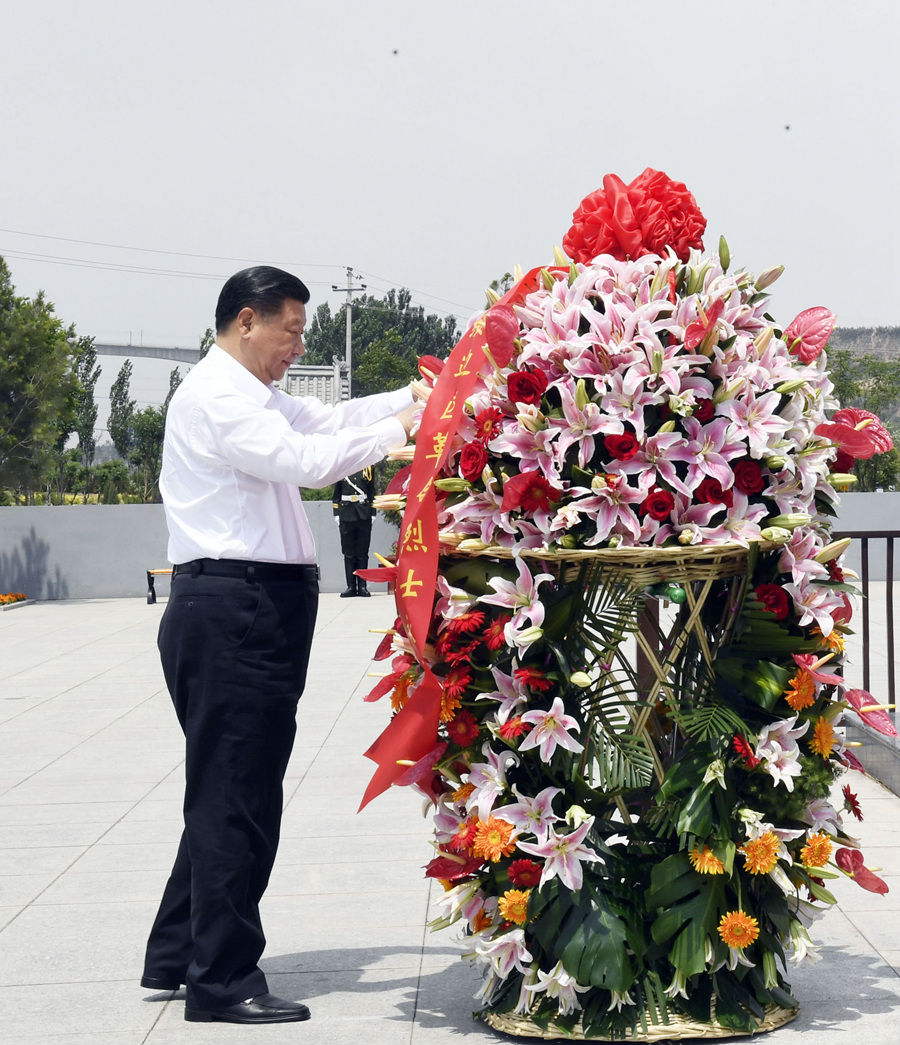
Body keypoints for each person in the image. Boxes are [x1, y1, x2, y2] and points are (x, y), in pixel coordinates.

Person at [141, 266, 419, 1025]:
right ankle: (223, 979)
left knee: (226, 786)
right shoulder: (218, 397)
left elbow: (328, 421)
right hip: (235, 608)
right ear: (244, 321)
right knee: (239, 795)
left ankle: (178, 952)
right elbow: (311, 461)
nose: (298, 345)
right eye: (290, 330)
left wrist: (414, 399)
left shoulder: (253, 394)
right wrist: (402, 433)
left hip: (249, 604)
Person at [331, 465, 376, 597]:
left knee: (363, 552)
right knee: (348, 552)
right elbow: (336, 493)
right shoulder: (341, 469)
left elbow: (372, 491)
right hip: (346, 513)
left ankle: (362, 586)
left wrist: (373, 512)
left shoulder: (367, 468)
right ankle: (351, 587)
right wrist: (336, 513)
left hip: (364, 513)